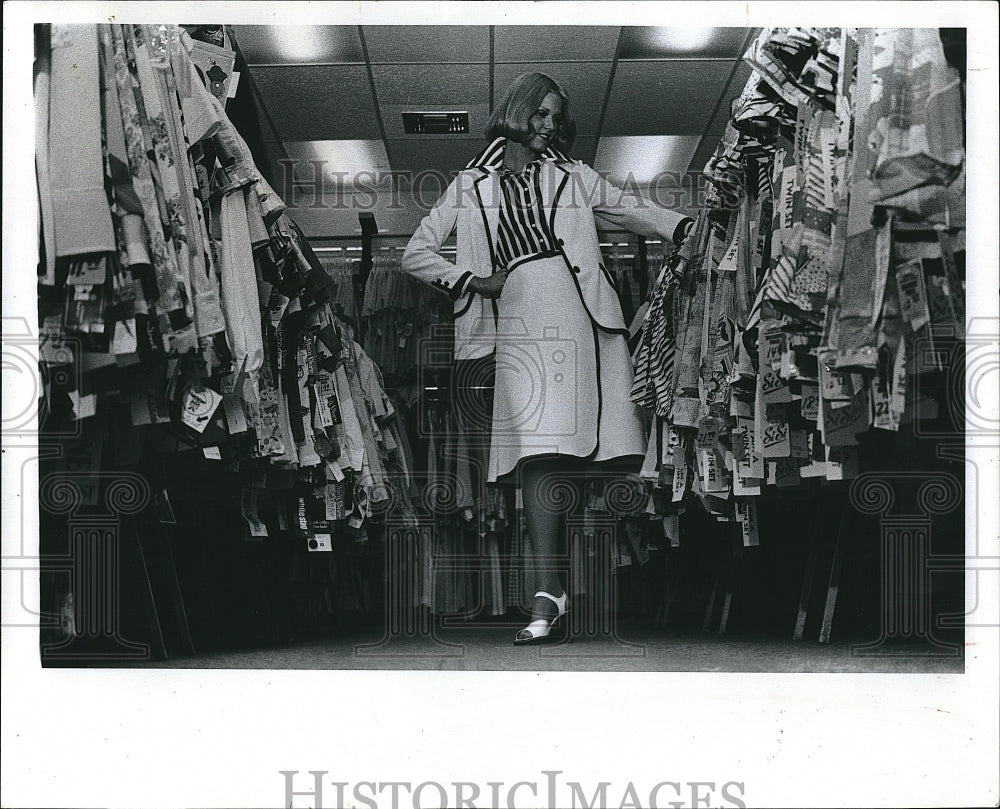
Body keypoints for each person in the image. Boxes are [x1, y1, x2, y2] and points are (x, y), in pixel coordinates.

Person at [403, 72, 693, 644]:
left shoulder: (574, 176)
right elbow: (415, 252)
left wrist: (687, 227)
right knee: (537, 453)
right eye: (541, 113)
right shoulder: (469, 185)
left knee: (569, 450)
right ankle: (551, 586)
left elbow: (632, 209)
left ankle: (548, 591)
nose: (550, 125)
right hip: (516, 319)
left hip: (576, 312)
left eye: (557, 117)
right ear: (516, 112)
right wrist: (472, 279)